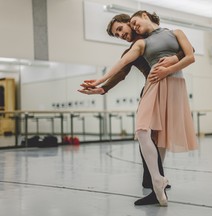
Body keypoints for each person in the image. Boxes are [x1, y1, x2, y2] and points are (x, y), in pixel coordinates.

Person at [79, 11, 198, 206]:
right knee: (145, 134)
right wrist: (102, 87)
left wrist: (173, 60)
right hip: (151, 88)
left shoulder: (163, 35)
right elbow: (121, 71)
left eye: (121, 29)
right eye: (117, 35)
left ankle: (155, 181)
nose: (122, 35)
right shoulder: (135, 48)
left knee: (159, 137)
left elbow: (188, 50)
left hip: (170, 85)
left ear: (131, 22)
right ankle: (155, 181)